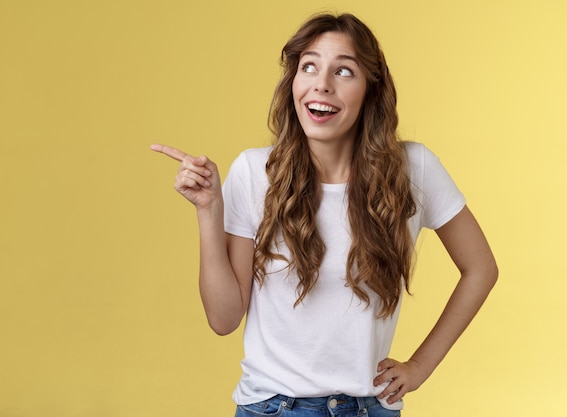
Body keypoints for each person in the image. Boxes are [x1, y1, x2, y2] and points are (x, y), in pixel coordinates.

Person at [151, 12, 497, 417]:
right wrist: (209, 211)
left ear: (371, 89)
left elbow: (481, 268)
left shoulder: (412, 169)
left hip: (372, 408)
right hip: (274, 407)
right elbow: (224, 318)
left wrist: (420, 366)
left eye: (344, 71)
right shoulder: (253, 172)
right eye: (309, 66)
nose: (322, 84)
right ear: (293, 82)